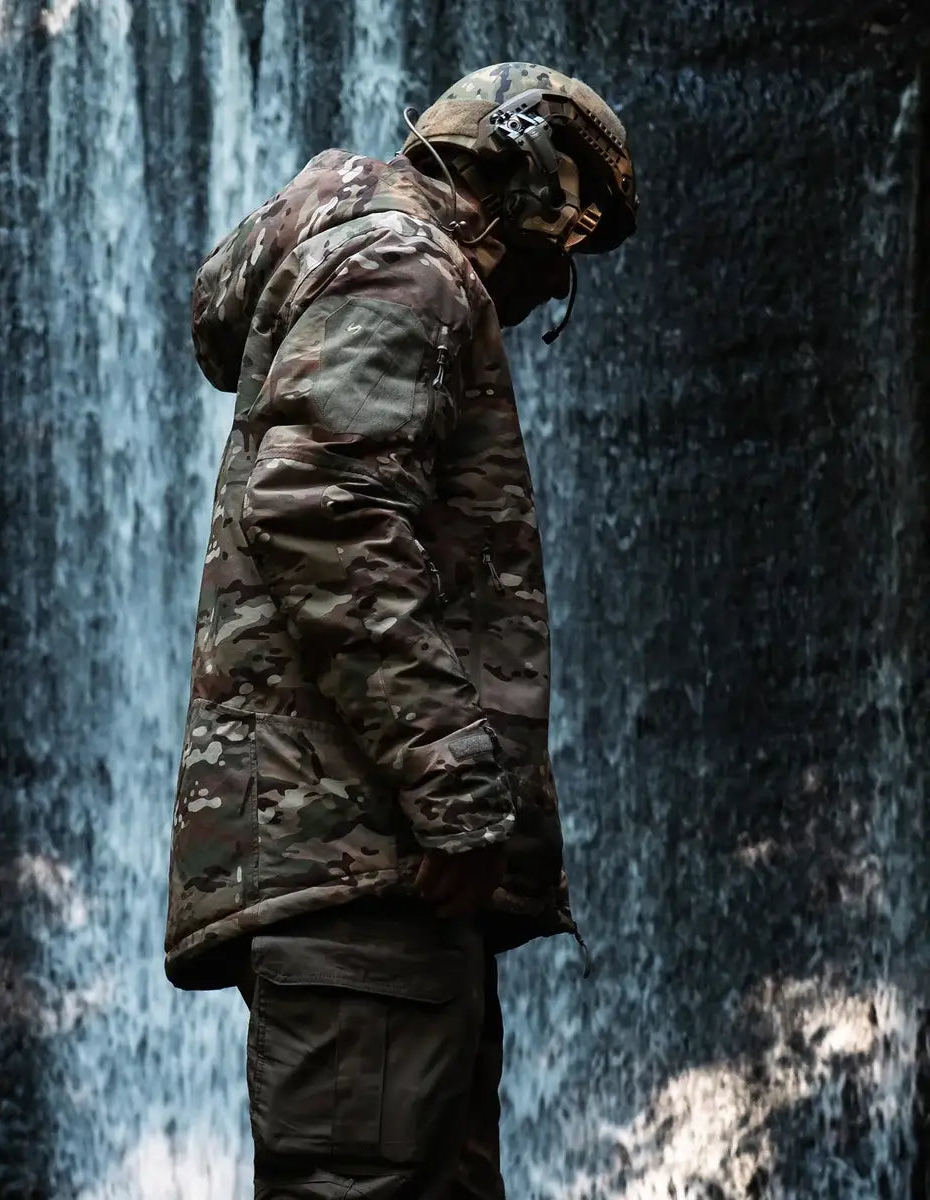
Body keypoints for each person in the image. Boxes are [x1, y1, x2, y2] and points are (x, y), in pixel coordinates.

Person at [165, 61, 639, 1199]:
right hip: (371, 879)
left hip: (379, 888)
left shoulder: (359, 253)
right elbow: (321, 510)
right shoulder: (407, 265)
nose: (559, 266)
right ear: (518, 178)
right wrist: (457, 791)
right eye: (571, 221)